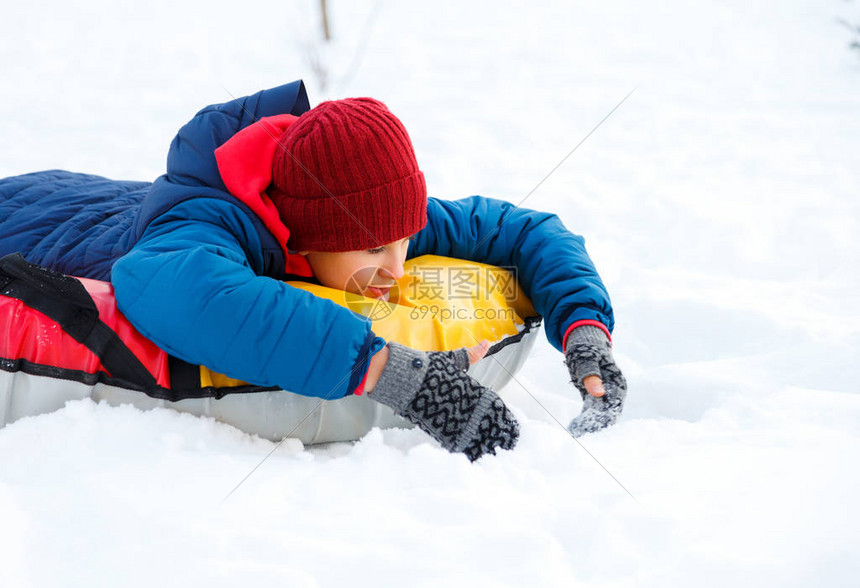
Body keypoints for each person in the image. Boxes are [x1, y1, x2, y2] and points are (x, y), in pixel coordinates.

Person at [0, 81, 627, 460]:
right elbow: (175, 292)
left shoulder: (361, 217)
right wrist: (395, 373)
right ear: (307, 231)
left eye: (402, 240)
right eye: (371, 249)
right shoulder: (202, 230)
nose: (393, 268)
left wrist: (583, 329)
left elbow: (524, 230)